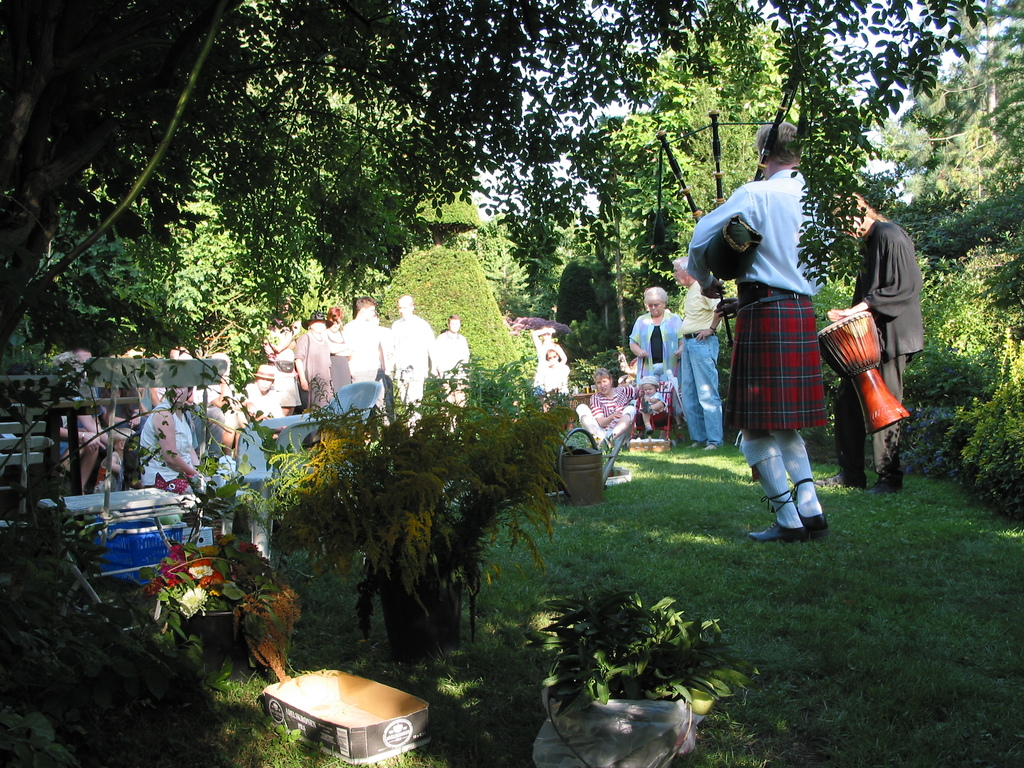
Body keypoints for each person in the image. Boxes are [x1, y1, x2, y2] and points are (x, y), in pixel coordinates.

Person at [686, 120, 829, 543]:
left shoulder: (756, 193)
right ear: (797, 152)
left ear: (763, 155)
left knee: (753, 426)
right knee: (784, 424)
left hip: (765, 313)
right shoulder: (818, 199)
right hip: (799, 310)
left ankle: (789, 521)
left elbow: (700, 236)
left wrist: (705, 280)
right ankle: (812, 512)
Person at [818, 196, 924, 494]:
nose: (843, 229)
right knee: (847, 402)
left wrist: (858, 309)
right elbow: (865, 294)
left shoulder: (890, 234)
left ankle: (889, 478)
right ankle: (851, 474)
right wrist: (852, 318)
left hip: (894, 335)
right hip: (870, 338)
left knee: (883, 405)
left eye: (844, 221)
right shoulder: (868, 244)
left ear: (860, 212)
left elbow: (906, 285)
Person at [673, 258, 725, 450]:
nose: (674, 275)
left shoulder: (705, 286)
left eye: (676, 271)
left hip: (702, 342)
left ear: (687, 271)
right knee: (688, 393)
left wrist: (711, 329)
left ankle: (714, 441)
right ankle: (699, 438)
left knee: (706, 392)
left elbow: (720, 308)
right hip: (688, 343)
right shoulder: (691, 291)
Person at [139, 386, 203, 491]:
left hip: (182, 474)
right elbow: (171, 458)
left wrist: (198, 471)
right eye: (172, 386)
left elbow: (189, 447)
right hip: (163, 477)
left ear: (189, 392)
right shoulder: (163, 414)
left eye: (180, 387)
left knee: (214, 487)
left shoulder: (183, 412)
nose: (176, 390)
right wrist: (195, 474)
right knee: (202, 493)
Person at [629, 286, 683, 383]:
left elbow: (682, 340)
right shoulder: (641, 320)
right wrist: (640, 351)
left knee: (671, 391)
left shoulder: (675, 319)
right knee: (649, 392)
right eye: (650, 305)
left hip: (671, 367)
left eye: (656, 305)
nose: (653, 308)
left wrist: (680, 350)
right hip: (648, 368)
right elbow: (633, 343)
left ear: (664, 304)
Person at [575, 367, 638, 449]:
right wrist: (612, 417)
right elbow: (601, 422)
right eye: (599, 383)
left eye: (604, 381)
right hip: (602, 434)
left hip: (619, 433)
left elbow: (642, 390)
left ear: (611, 381)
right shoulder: (595, 398)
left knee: (631, 409)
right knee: (581, 407)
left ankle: (610, 440)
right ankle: (597, 440)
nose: (602, 385)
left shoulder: (623, 391)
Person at [391, 295, 436, 405]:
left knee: (414, 403)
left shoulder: (422, 325)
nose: (401, 311)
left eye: (404, 308)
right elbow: (393, 348)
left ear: (412, 308)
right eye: (400, 308)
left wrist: (434, 367)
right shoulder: (396, 325)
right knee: (404, 402)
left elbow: (432, 347)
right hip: (401, 371)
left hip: (417, 371)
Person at [295, 310, 334, 409]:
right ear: (310, 324)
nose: (321, 325)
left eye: (323, 323)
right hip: (311, 382)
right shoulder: (305, 338)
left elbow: (328, 365)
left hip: (325, 385)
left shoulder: (325, 343)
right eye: (318, 322)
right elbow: (298, 359)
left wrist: (330, 384)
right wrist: (303, 380)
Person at [431, 314, 470, 406]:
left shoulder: (462, 340)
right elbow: (436, 355)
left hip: (460, 377)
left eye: (457, 324)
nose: (455, 326)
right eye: (453, 324)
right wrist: (435, 372)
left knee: (461, 404)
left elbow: (466, 358)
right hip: (446, 376)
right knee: (447, 404)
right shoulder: (441, 338)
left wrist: (466, 376)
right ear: (448, 325)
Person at [264, 320, 301, 415]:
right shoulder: (271, 328)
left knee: (291, 407)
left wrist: (288, 340)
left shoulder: (285, 328)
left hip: (289, 372)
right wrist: (292, 333)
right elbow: (278, 347)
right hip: (280, 372)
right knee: (283, 408)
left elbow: (293, 345)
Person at [326, 305, 353, 395]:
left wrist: (339, 351)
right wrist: (346, 347)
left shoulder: (344, 334)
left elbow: (351, 351)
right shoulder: (324, 333)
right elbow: (331, 349)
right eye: (332, 322)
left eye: (338, 322)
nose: (335, 325)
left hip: (344, 369)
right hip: (332, 370)